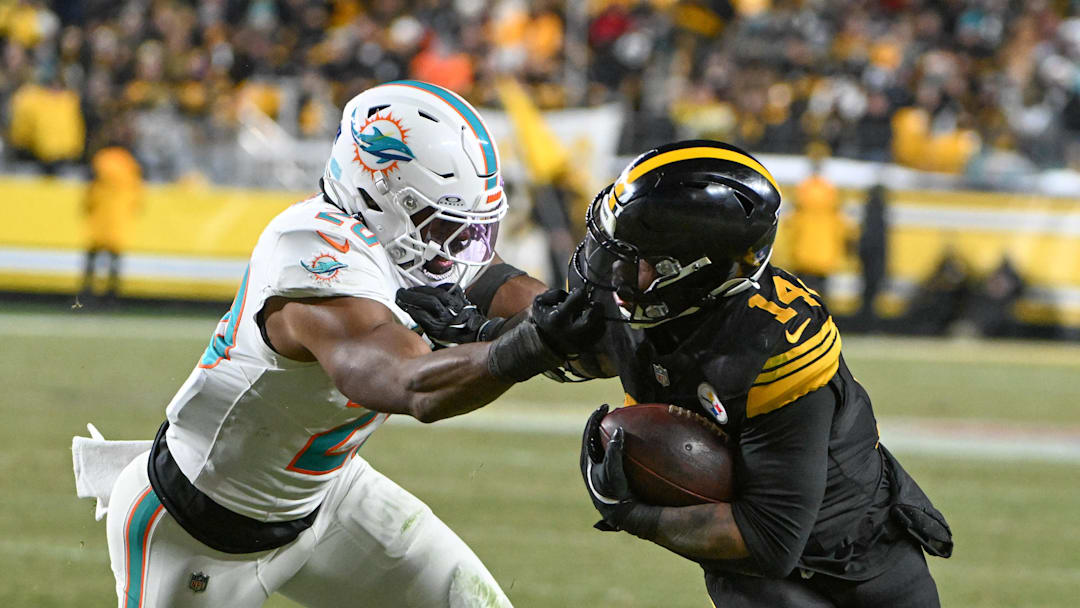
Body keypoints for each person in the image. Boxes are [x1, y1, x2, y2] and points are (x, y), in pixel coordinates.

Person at [72, 81, 600, 608]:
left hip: (327, 501)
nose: (457, 249)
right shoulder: (310, 250)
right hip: (199, 532)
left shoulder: (404, 238)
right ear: (378, 196)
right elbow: (411, 384)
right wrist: (531, 344)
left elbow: (514, 291)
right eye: (441, 224)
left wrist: (604, 319)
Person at [404, 140, 953, 607]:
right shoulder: (654, 300)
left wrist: (629, 512)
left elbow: (767, 539)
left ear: (693, 270)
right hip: (756, 578)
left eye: (638, 257)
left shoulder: (772, 348)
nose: (615, 269)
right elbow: (572, 342)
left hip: (857, 569)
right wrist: (484, 334)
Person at [80, 119, 143, 303]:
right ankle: (112, 294)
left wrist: (88, 204)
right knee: (114, 256)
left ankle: (87, 291)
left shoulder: (101, 159)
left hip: (101, 213)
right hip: (118, 215)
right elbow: (137, 193)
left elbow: (91, 185)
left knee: (93, 254)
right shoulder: (130, 163)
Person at [788, 152, 847, 299]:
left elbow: (791, 224)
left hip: (803, 252)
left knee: (800, 295)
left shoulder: (802, 190)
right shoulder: (830, 191)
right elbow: (840, 224)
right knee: (821, 298)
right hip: (825, 252)